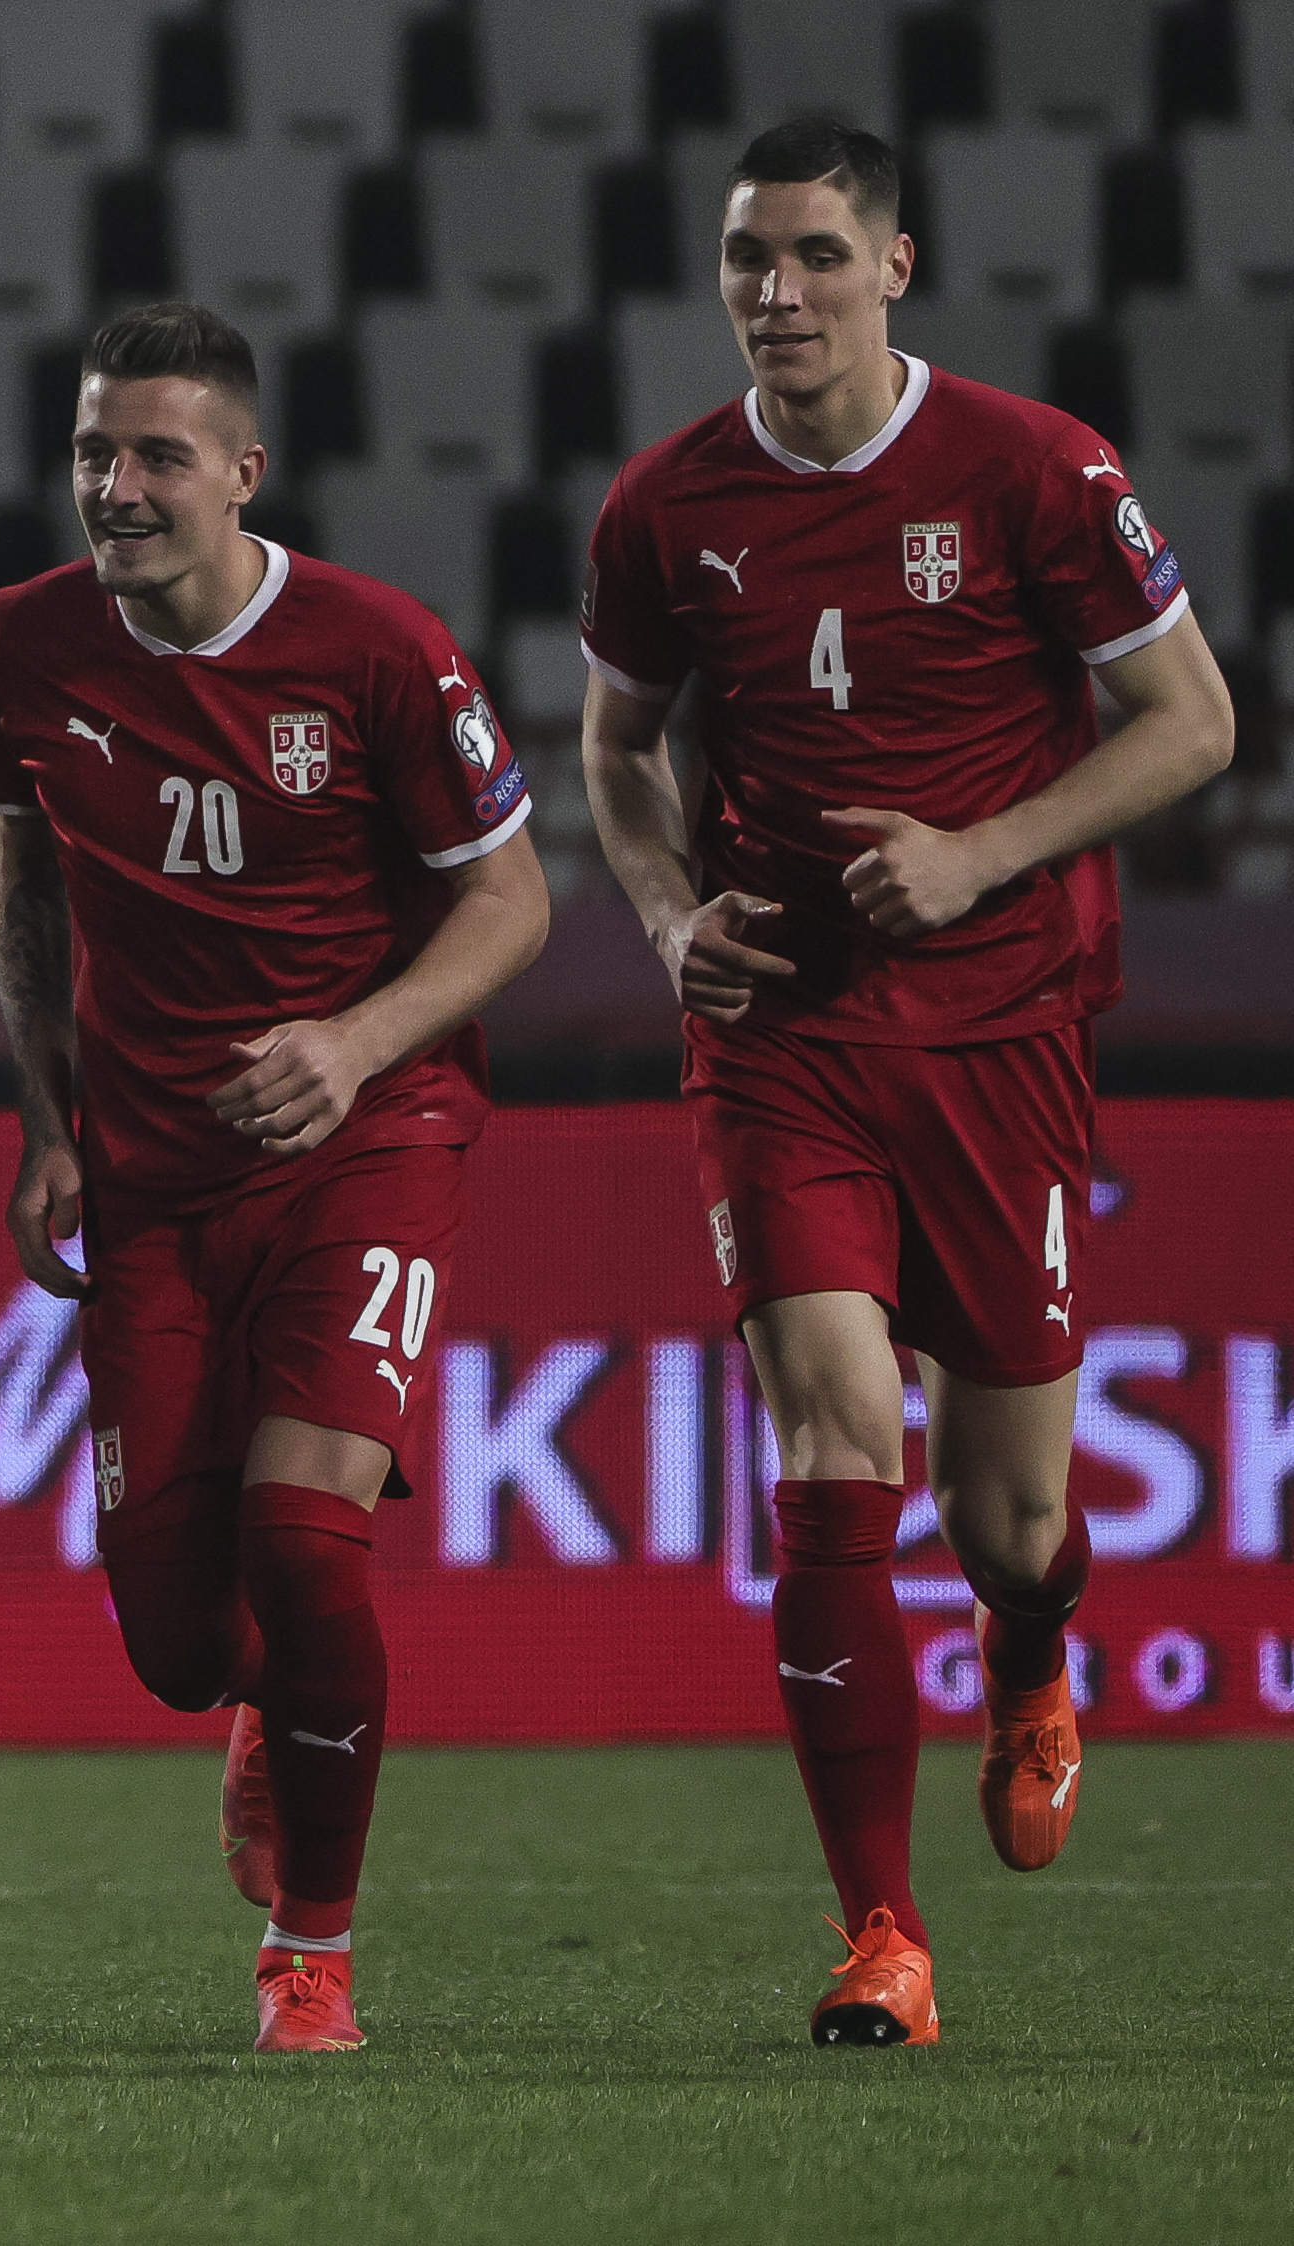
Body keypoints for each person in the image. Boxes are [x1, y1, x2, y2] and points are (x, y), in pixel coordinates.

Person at [579, 119, 1233, 2047]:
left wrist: (982, 853)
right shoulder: (663, 504)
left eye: (811, 256)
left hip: (1002, 1030)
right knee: (830, 1438)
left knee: (1008, 1516)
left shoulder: (1037, 469)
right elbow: (615, 754)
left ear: (894, 267)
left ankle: (1031, 1653)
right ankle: (884, 1934)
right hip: (780, 1032)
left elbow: (1193, 723)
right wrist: (664, 914)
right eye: (743, 261)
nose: (774, 293)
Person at [0, 301, 549, 2053]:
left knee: (308, 1540)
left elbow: (513, 903)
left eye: (155, 455)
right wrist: (48, 1121)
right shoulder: (23, 643)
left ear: (243, 470)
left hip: (366, 1139)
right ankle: (258, 1709)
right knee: (170, 1630)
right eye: (92, 454)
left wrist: (357, 1045)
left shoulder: (378, 652)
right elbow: (22, 869)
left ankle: (314, 1955)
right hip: (150, 1170)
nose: (117, 488)